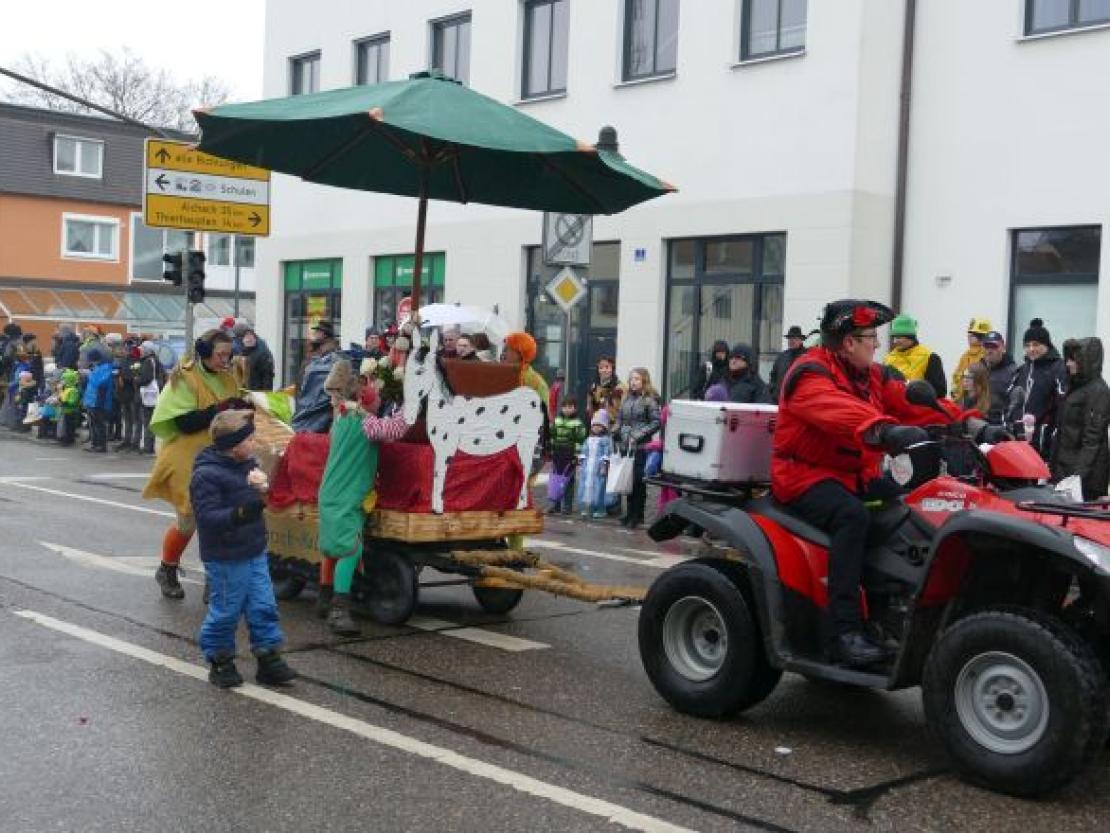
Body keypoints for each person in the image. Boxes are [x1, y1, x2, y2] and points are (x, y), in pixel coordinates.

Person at [773, 299, 974, 668]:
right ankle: (843, 633)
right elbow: (840, 411)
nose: (877, 345)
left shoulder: (872, 376)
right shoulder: (810, 374)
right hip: (805, 476)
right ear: (849, 342)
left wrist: (971, 424)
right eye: (871, 338)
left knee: (914, 507)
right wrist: (884, 429)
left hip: (855, 476)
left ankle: (889, 608)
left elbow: (913, 401)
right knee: (852, 517)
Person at [190, 408, 296, 688]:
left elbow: (259, 501)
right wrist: (240, 513)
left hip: (253, 549)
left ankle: (268, 657)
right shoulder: (207, 475)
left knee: (264, 605)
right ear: (232, 445)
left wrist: (264, 492)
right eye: (249, 440)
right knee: (226, 610)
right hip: (225, 556)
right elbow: (207, 518)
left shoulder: (248, 466)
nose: (254, 443)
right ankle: (220, 659)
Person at [142, 329, 247, 600]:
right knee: (188, 523)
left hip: (222, 458)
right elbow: (183, 423)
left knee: (220, 521)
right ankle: (167, 569)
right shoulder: (184, 378)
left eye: (228, 354)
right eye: (219, 355)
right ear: (204, 352)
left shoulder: (230, 374)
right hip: (189, 459)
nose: (225, 360)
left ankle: (215, 580)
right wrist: (218, 410)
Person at [1050, 338, 1109, 501]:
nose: (1068, 364)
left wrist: (1077, 477)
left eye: (1073, 360)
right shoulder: (1075, 387)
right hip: (1065, 471)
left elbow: (1092, 439)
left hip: (1084, 479)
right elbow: (1063, 431)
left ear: (1086, 361)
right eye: (1067, 359)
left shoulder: (1098, 391)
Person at [1006, 318, 1066, 457]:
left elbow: (1063, 406)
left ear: (1047, 345)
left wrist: (1052, 434)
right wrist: (1009, 425)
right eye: (1027, 345)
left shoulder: (1057, 368)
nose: (1031, 349)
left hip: (1044, 442)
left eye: (1036, 344)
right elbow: (1008, 401)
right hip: (1018, 440)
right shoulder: (1021, 370)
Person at [614, 368, 662, 528]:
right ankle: (629, 513)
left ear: (644, 381)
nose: (633, 382)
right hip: (626, 445)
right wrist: (616, 431)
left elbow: (656, 422)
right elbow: (620, 419)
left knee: (638, 481)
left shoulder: (650, 400)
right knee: (628, 480)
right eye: (631, 379)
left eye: (637, 379)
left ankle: (638, 514)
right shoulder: (626, 398)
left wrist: (638, 435)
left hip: (641, 446)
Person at [292, 320, 343, 433]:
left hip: (319, 418)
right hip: (306, 407)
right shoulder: (316, 355)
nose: (314, 335)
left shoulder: (331, 358)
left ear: (324, 335)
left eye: (317, 332)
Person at [883, 314, 947, 399]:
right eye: (894, 337)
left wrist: (916, 391)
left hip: (918, 410)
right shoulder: (888, 358)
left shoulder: (930, 357)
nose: (895, 341)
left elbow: (940, 392)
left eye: (899, 337)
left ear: (910, 337)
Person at [548, 397, 587, 514]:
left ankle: (567, 506)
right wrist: (550, 449)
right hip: (557, 453)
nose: (567, 409)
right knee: (556, 479)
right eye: (564, 406)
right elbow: (552, 435)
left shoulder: (578, 423)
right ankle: (556, 505)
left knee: (568, 480)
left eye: (570, 407)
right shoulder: (557, 421)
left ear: (575, 409)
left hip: (569, 454)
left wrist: (576, 455)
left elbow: (580, 440)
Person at [578, 410, 613, 519]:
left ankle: (600, 509)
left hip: (598, 468)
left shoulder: (605, 440)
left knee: (599, 488)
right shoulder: (588, 439)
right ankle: (588, 507)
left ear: (604, 427)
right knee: (586, 487)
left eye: (600, 425)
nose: (597, 428)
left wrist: (604, 465)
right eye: (595, 425)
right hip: (588, 468)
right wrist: (581, 463)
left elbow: (607, 453)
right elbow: (584, 451)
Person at [978, 330, 1016, 425]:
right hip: (977, 425)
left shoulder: (1014, 373)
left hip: (1000, 427)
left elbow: (1016, 406)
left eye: (994, 346)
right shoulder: (977, 370)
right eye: (986, 346)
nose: (989, 350)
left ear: (1003, 348)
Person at [950, 317, 992, 398]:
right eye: (969, 334)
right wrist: (954, 392)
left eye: (972, 334)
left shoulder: (987, 356)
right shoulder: (966, 355)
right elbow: (956, 376)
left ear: (982, 336)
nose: (969, 337)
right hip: (962, 401)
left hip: (978, 401)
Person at [82, 348, 114, 452]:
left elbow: (99, 383)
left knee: (99, 424)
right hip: (92, 400)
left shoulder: (105, 368)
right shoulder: (97, 367)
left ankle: (101, 446)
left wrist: (89, 374)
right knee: (93, 423)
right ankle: (95, 444)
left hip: (99, 401)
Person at [136, 340, 163, 455]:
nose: (140, 351)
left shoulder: (148, 361)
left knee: (147, 421)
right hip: (155, 394)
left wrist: (136, 379)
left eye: (142, 349)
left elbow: (146, 379)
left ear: (147, 350)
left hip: (149, 396)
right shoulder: (156, 361)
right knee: (150, 421)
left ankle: (148, 447)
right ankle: (149, 446)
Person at [768, 326, 806, 403]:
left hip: (798, 402)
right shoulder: (782, 357)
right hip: (779, 401)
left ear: (801, 340)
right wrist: (773, 391)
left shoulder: (807, 357)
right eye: (789, 338)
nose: (791, 341)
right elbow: (773, 376)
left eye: (794, 338)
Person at [587, 356, 625, 428]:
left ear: (612, 369)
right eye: (601, 368)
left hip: (613, 424)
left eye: (607, 367)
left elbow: (622, 409)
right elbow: (589, 407)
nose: (604, 370)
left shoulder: (620, 387)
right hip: (596, 424)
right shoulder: (594, 387)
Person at [241, 325, 275, 391]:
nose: (248, 339)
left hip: (258, 391)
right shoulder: (244, 352)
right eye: (246, 336)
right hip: (248, 390)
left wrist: (266, 393)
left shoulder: (262, 354)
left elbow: (267, 376)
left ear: (255, 338)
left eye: (250, 336)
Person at [58, 368, 80, 447]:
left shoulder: (73, 390)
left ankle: (69, 439)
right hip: (66, 411)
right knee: (66, 426)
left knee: (70, 427)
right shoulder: (66, 389)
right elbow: (63, 397)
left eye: (64, 379)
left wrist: (65, 402)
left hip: (71, 411)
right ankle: (66, 438)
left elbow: (73, 401)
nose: (62, 381)